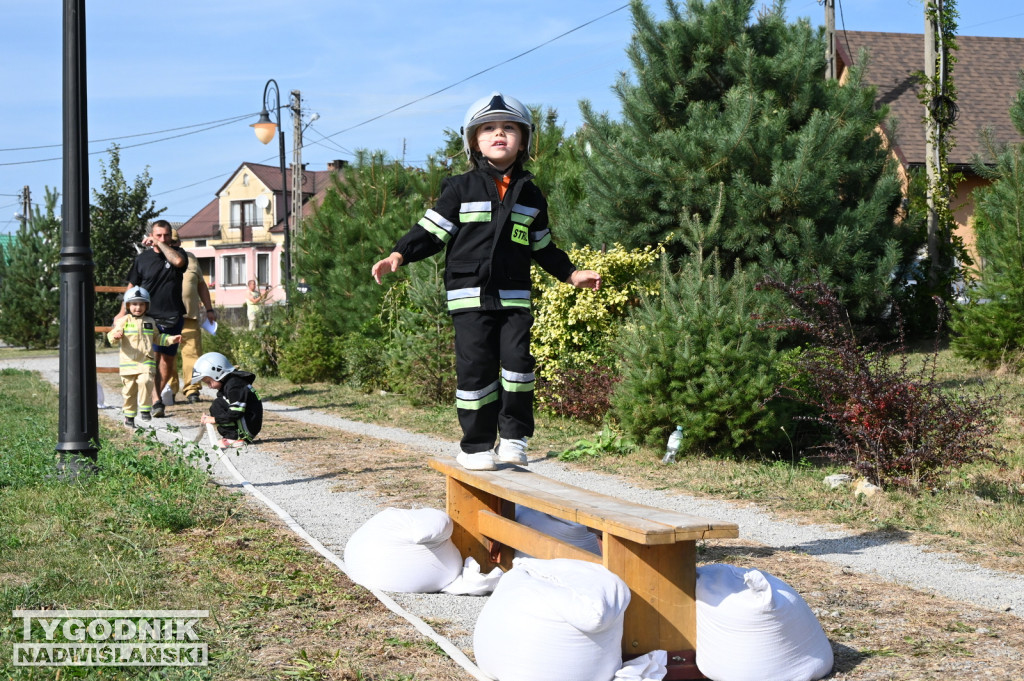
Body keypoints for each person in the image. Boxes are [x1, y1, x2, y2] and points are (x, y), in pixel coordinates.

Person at [371, 92, 601, 471]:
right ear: (474, 141)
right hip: (469, 297)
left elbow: (542, 246)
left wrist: (571, 273)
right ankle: (476, 445)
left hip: (513, 297)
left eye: (509, 128)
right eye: (489, 128)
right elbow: (431, 232)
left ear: (523, 140)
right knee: (476, 370)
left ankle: (513, 439)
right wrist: (399, 253)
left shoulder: (531, 195)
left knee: (518, 366)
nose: (499, 134)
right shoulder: (460, 188)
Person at [117, 219, 187, 418]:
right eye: (158, 235)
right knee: (152, 360)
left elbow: (178, 263)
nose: (163, 238)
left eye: (166, 235)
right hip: (149, 317)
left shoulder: (178, 254)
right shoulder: (142, 259)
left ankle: (154, 397)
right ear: (152, 235)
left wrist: (161, 244)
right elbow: (131, 288)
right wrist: (122, 311)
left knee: (168, 362)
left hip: (173, 316)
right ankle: (156, 401)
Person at [107, 286, 182, 428]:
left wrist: (172, 339)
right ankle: (129, 417)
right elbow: (112, 335)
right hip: (128, 363)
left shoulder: (150, 321)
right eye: (134, 304)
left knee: (146, 381)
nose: (138, 307)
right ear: (128, 305)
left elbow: (157, 338)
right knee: (129, 392)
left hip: (146, 362)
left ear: (147, 306)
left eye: (142, 304)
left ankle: (145, 409)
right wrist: (115, 336)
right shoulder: (124, 321)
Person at [166, 229, 216, 404]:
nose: (172, 244)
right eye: (168, 242)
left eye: (174, 241)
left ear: (179, 242)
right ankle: (168, 390)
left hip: (190, 315)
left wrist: (209, 309)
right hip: (166, 317)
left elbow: (201, 285)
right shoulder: (157, 260)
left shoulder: (191, 258)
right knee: (168, 355)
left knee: (193, 355)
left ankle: (192, 389)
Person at [190, 351, 263, 448]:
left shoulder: (235, 386)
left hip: (247, 428)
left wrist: (214, 419)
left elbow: (236, 412)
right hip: (247, 426)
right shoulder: (231, 383)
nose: (209, 386)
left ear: (217, 373)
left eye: (209, 382)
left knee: (218, 404)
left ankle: (234, 437)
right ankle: (235, 435)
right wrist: (211, 418)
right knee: (218, 404)